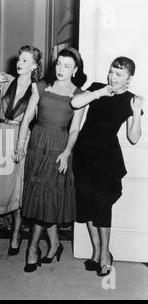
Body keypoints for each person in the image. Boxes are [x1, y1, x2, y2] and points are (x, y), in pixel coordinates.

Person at [16, 47, 87, 272]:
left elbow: (75, 129)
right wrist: (20, 145)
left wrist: (66, 152)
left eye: (67, 66)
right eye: (59, 64)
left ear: (75, 70)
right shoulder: (41, 87)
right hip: (37, 144)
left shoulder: (79, 95)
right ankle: (54, 244)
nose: (61, 70)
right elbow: (27, 117)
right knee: (39, 196)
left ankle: (32, 248)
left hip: (59, 148)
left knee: (48, 197)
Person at [71, 56, 143, 276]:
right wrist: (100, 92)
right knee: (86, 204)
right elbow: (75, 103)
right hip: (84, 154)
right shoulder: (96, 89)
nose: (112, 77)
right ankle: (95, 252)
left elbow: (133, 138)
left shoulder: (131, 99)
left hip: (106, 159)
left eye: (119, 74)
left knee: (102, 205)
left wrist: (137, 113)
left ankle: (105, 255)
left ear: (129, 78)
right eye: (111, 71)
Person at [0, 45, 43, 259]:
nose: (19, 63)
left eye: (25, 60)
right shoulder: (6, 80)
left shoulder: (36, 89)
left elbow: (40, 118)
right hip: (1, 133)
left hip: (22, 138)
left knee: (18, 188)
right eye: (19, 59)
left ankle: (15, 237)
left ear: (34, 65)